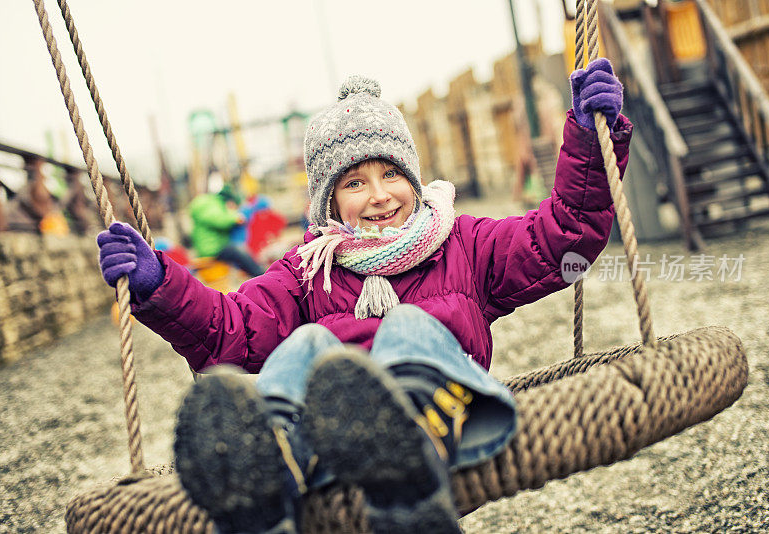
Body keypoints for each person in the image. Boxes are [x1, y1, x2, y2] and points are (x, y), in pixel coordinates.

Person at [96, 62, 629, 534]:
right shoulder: (309, 271)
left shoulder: (464, 245)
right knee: (307, 344)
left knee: (409, 327)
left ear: (413, 180)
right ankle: (264, 473)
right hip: (331, 445)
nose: (379, 195)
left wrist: (588, 141)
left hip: (443, 426)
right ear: (328, 199)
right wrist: (159, 286)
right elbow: (227, 328)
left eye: (391, 173)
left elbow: (563, 238)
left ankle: (405, 460)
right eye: (354, 182)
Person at [187, 184, 265, 276]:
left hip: (215, 246)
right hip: (212, 248)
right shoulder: (212, 205)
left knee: (238, 253)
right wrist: (236, 217)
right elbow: (219, 220)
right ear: (229, 202)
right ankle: (259, 274)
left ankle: (255, 273)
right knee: (238, 251)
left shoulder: (213, 204)